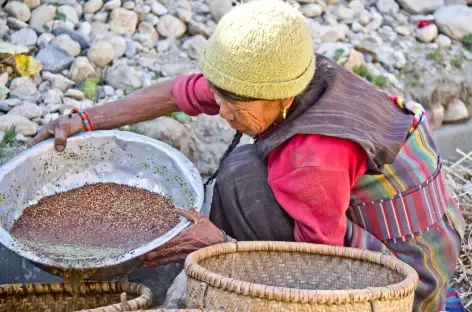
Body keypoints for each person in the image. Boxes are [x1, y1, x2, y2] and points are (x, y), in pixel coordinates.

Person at [29, 1, 465, 311]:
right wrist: (84, 119)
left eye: (234, 104)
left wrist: (220, 248)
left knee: (241, 183)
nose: (220, 111)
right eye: (218, 95)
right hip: (399, 230)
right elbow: (178, 92)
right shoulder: (282, 78)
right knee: (244, 172)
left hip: (401, 281)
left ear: (281, 97)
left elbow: (327, 276)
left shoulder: (312, 159)